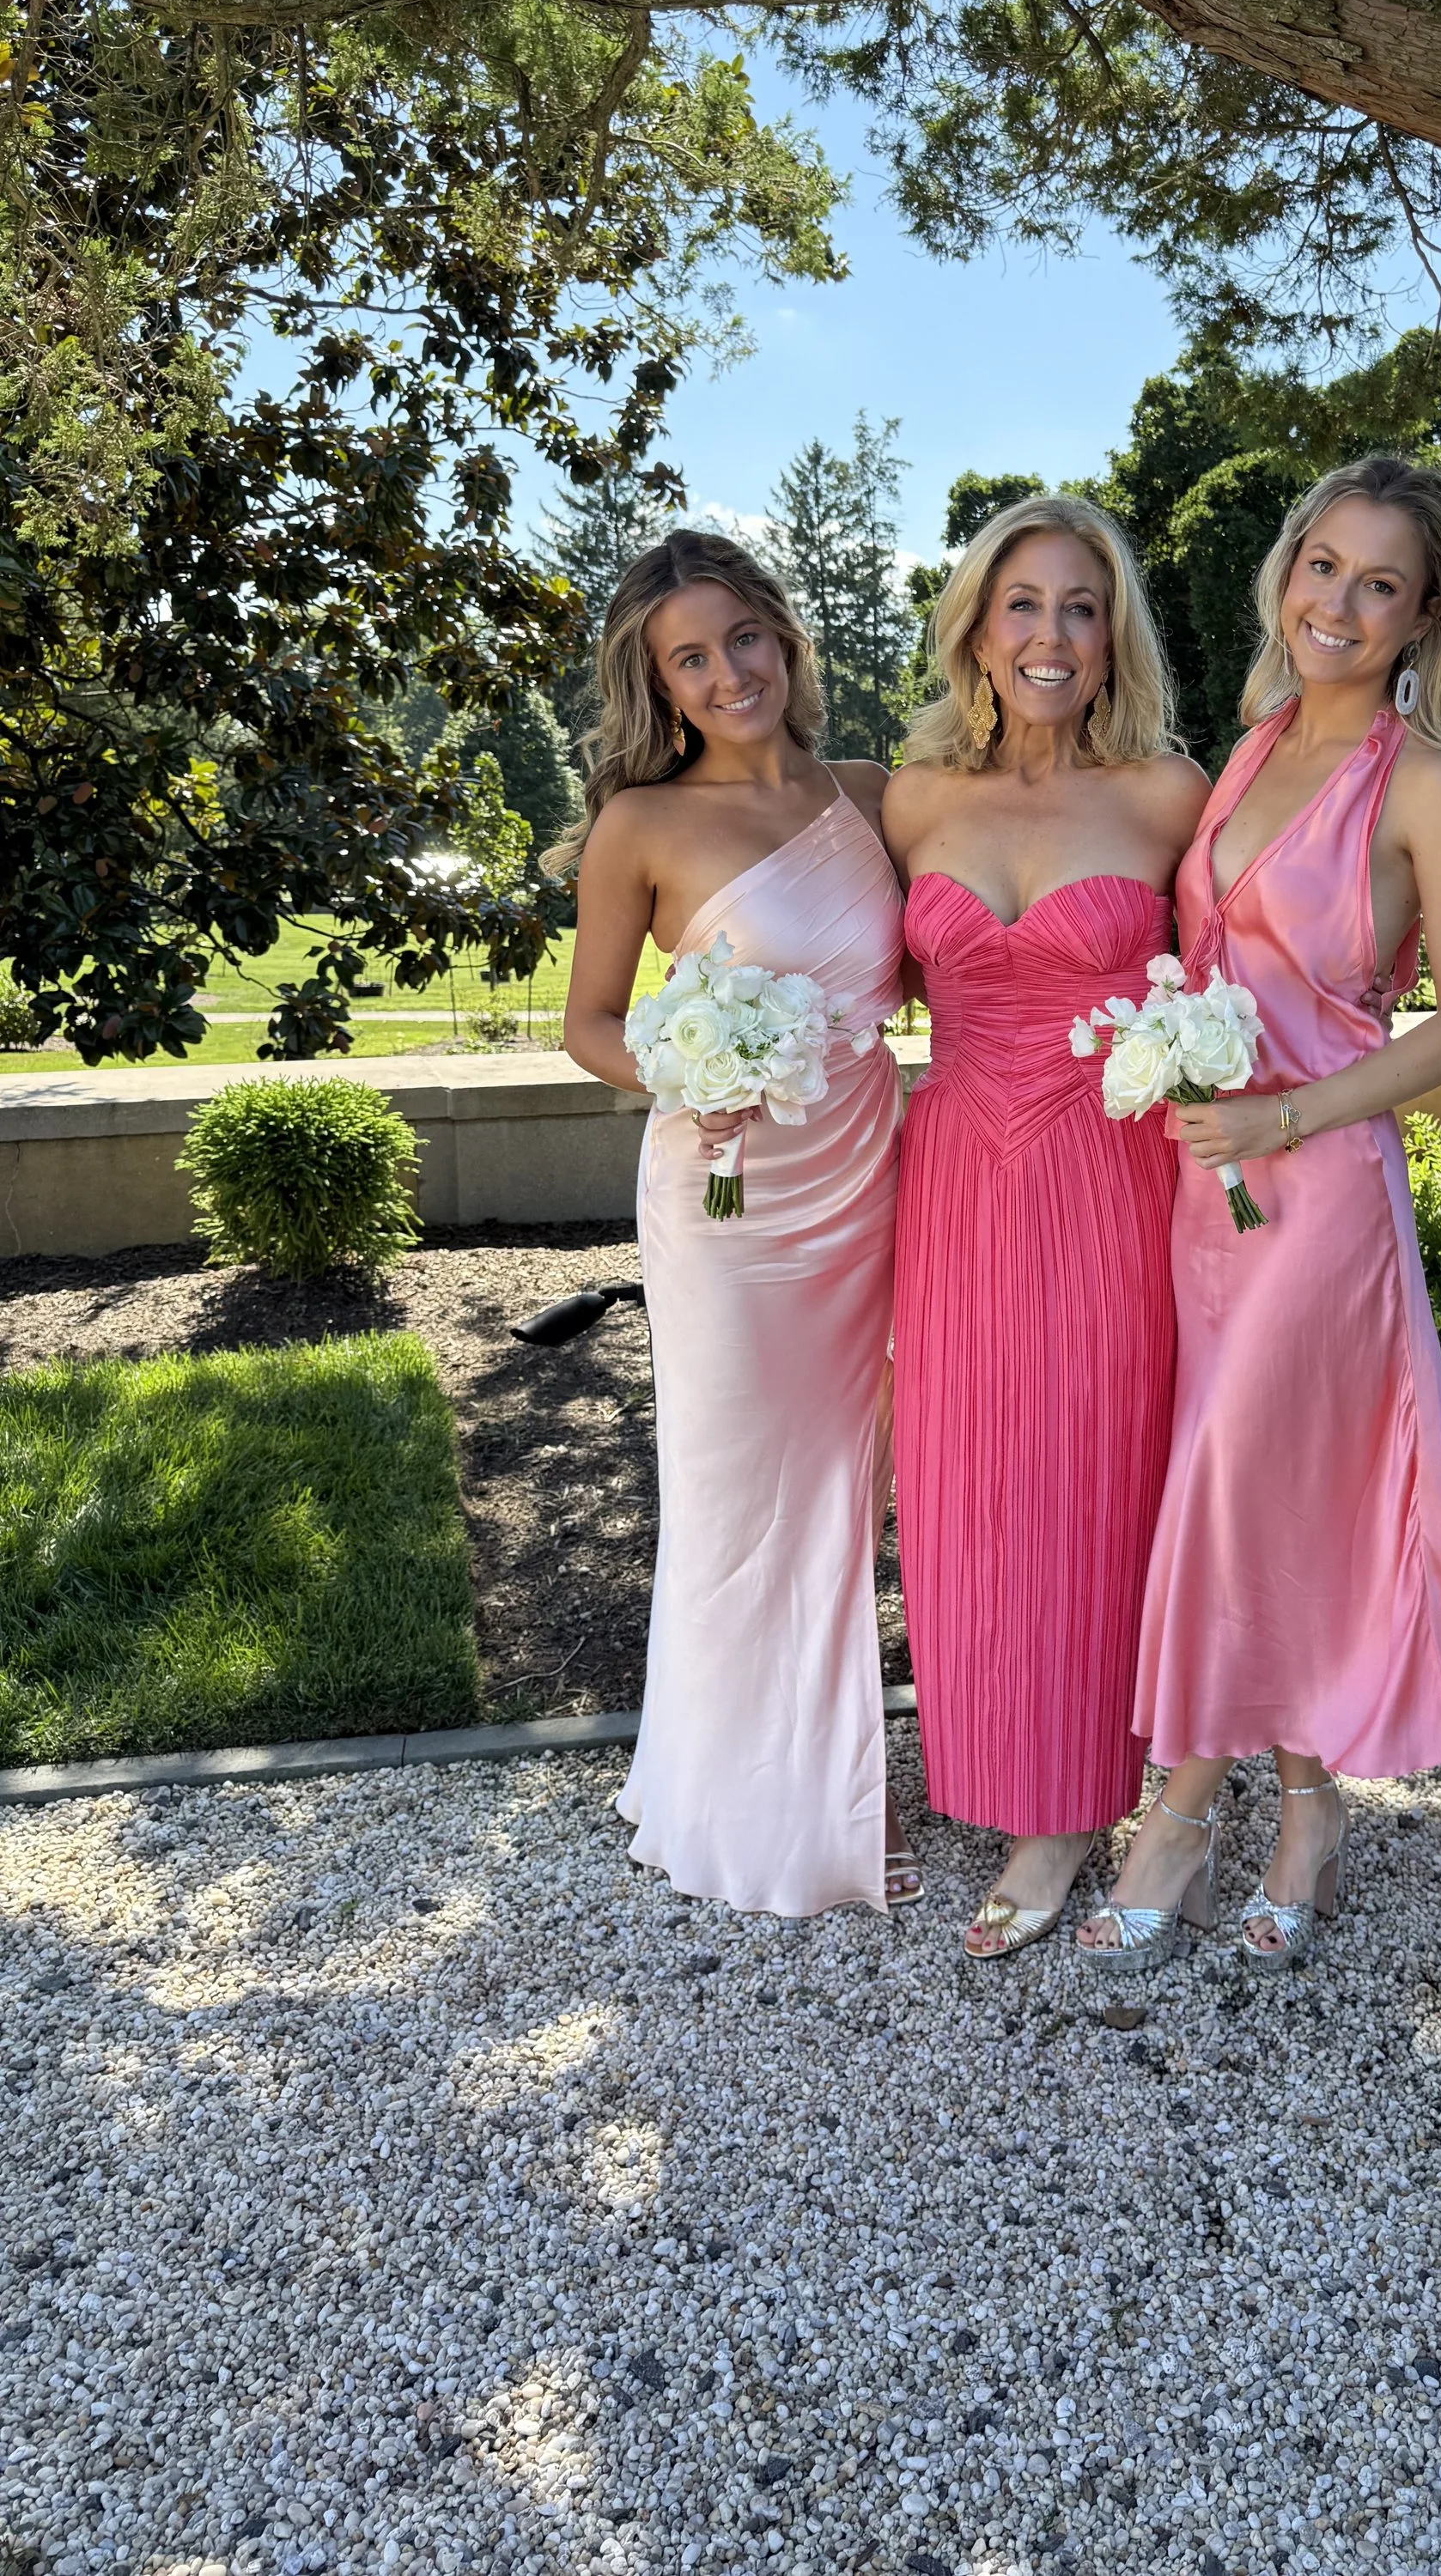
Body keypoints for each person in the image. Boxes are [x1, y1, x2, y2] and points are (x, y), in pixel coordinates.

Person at [1077, 454, 1441, 1975]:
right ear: (1289, 575)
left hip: (1322, 1187)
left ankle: (1183, 1814)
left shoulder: (1432, 784)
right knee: (1262, 1497)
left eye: (1379, 583)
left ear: (1422, 618)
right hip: (1203, 1192)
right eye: (1322, 567)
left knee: (1231, 1483)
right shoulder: (1252, 744)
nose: (1339, 601)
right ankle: (1307, 1806)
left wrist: (1289, 1114)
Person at [555, 530, 916, 1917]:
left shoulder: (872, 794)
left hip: (870, 1178)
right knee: (736, 1492)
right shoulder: (641, 824)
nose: (727, 674)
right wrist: (692, 1070)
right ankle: (751, 1814)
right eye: (689, 659)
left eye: (742, 639)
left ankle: (832, 1777)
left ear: (785, 634)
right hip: (727, 1198)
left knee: (843, 1487)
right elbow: (590, 1024)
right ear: (660, 683)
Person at [883, 494, 1212, 1960]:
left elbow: (1254, 964)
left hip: (1109, 1171)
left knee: (1092, 1473)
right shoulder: (911, 799)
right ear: (976, 623)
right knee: (967, 1476)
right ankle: (992, 1756)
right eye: (1024, 603)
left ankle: (1076, 1800)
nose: (1052, 634)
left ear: (1114, 633)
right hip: (950, 1173)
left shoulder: (1165, 794)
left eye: (1083, 607)